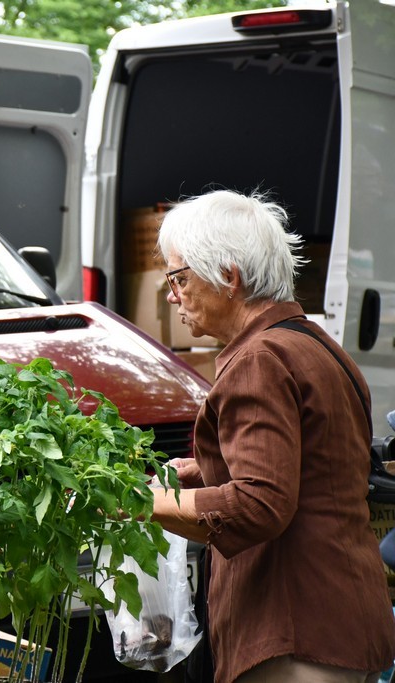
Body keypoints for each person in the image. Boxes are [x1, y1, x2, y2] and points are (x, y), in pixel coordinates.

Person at [150, 189, 395, 683]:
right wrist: (202, 471)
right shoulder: (315, 344)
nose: (171, 294)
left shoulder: (259, 361)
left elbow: (260, 503)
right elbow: (318, 459)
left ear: (228, 277)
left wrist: (139, 503)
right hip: (349, 620)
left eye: (178, 277)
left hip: (295, 635)